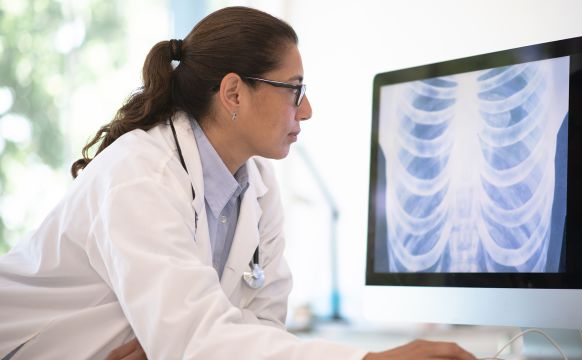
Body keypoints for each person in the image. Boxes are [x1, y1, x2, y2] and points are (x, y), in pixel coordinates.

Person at [0, 6, 475, 360]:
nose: (306, 110)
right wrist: (368, 359)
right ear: (233, 93)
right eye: (295, 89)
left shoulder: (257, 185)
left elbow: (262, 329)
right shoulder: (140, 174)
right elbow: (199, 339)